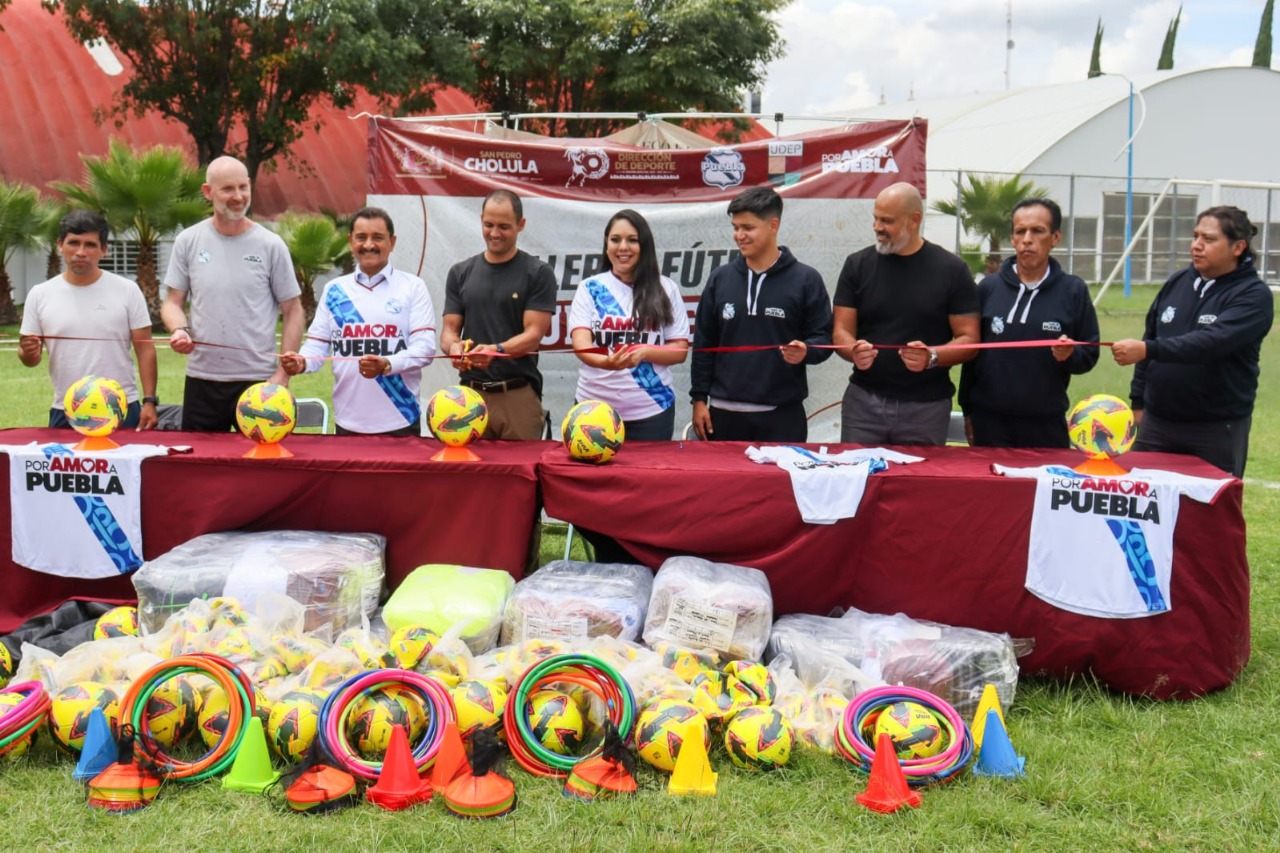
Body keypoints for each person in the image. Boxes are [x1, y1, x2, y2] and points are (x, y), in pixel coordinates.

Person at [1112, 205, 1274, 477]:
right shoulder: (1178, 282)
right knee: (1148, 511)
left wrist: (1146, 350)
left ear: (1238, 247)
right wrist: (1138, 401)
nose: (1197, 245)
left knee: (1209, 514)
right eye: (1196, 236)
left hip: (1215, 429)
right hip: (1157, 424)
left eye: (1208, 239)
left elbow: (1210, 343)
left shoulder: (1253, 296)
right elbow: (1150, 337)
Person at [160, 155, 303, 431]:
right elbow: (172, 303)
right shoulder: (187, 241)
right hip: (203, 380)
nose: (237, 197)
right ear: (207, 192)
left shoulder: (271, 245)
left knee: (260, 469)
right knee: (201, 469)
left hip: (259, 382)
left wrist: (282, 375)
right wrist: (179, 330)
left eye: (242, 188)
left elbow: (293, 309)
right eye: (227, 189)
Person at [832, 181, 980, 445]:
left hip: (926, 408)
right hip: (863, 404)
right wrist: (853, 350)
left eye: (887, 221)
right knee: (857, 481)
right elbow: (841, 331)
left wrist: (932, 356)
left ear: (914, 220)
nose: (878, 227)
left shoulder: (951, 270)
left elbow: (969, 340)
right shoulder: (857, 265)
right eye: (876, 218)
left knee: (919, 486)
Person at [690, 186, 833, 442]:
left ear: (773, 225)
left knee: (780, 484)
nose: (739, 235)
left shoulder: (806, 279)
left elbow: (824, 338)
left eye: (748, 227)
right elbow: (703, 344)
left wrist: (806, 351)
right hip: (722, 416)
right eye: (735, 227)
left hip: (782, 416)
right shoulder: (719, 279)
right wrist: (699, 400)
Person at [280, 207, 436, 435]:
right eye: (361, 237)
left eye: (378, 238)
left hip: (400, 418)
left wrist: (387, 364)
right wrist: (301, 362)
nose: (369, 245)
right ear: (350, 241)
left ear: (392, 242)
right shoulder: (334, 289)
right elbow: (317, 346)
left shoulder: (413, 287)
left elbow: (425, 348)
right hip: (348, 420)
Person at [958, 198, 1100, 447]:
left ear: (1055, 237)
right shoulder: (988, 288)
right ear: (1012, 238)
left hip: (1045, 425)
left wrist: (1069, 354)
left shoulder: (1073, 290)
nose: (1027, 239)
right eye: (1020, 231)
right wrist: (967, 410)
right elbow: (972, 355)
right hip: (989, 423)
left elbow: (1089, 353)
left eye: (1037, 231)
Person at [18, 210, 158, 430]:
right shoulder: (39, 294)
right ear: (60, 245)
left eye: (90, 245)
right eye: (73, 243)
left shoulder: (128, 290)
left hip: (120, 407)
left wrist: (149, 401)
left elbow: (146, 349)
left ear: (103, 250)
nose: (80, 252)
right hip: (66, 409)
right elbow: (29, 358)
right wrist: (28, 352)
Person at [439, 190, 556, 439]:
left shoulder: (538, 273)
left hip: (516, 396)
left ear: (520, 225)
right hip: (468, 398)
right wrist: (454, 349)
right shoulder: (460, 272)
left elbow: (534, 335)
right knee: (470, 475)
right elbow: (449, 330)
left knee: (521, 474)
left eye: (504, 226)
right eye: (488, 225)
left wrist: (495, 350)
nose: (494, 233)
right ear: (481, 219)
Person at [569, 209, 689, 440]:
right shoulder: (589, 287)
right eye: (615, 240)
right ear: (606, 246)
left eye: (632, 240)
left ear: (644, 246)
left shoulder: (666, 288)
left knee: (647, 477)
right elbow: (581, 344)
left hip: (652, 411)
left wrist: (645, 352)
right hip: (593, 411)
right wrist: (607, 363)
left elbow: (680, 349)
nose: (623, 247)